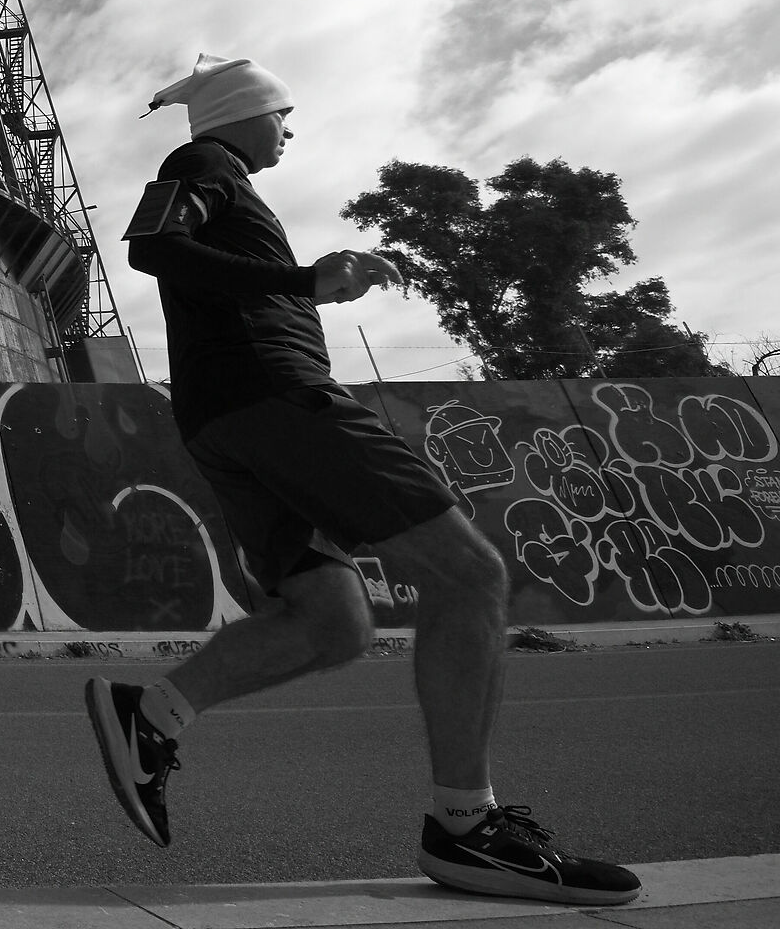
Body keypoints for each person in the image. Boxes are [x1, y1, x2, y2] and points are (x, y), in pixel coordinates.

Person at [83, 54, 638, 908]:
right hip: (274, 394)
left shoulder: (229, 185)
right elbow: (154, 245)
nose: (291, 131)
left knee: (333, 622)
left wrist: (300, 284)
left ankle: (149, 717)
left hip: (227, 416)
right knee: (470, 573)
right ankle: (468, 827)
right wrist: (302, 281)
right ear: (242, 112)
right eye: (283, 115)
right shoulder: (201, 166)